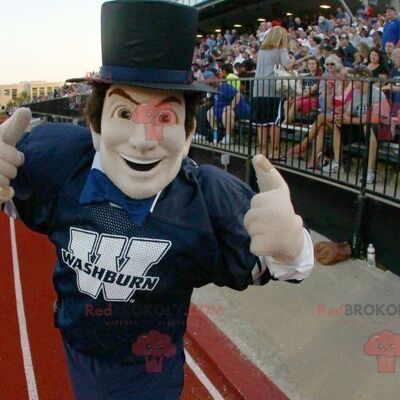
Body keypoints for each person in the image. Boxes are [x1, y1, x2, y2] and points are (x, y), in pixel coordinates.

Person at [0, 2, 314, 398]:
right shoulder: (59, 163)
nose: (142, 140)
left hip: (149, 369)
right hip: (78, 347)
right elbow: (13, 199)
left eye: (164, 118)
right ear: (95, 124)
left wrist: (294, 245)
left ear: (187, 131)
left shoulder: (207, 199)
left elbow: (294, 267)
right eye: (125, 114)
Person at [328, 66, 391, 183]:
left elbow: (375, 118)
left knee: (369, 126)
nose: (352, 81)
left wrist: (350, 120)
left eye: (355, 78)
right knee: (337, 123)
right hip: (362, 127)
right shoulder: (356, 93)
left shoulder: (377, 93)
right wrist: (342, 118)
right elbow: (348, 113)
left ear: (364, 79)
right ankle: (337, 164)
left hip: (381, 130)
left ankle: (370, 172)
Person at [252, 26, 291, 159]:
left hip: (258, 88)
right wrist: (295, 61)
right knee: (275, 122)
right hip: (273, 89)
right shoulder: (281, 48)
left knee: (261, 122)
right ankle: (274, 152)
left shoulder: (262, 49)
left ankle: (263, 151)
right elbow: (288, 64)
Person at [282, 57, 322, 126]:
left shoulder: (319, 77)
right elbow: (298, 88)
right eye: (309, 64)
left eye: (313, 64)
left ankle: (285, 124)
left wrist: (298, 97)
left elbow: (312, 91)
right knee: (286, 102)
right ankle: (289, 122)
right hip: (302, 97)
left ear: (317, 65)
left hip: (313, 99)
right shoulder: (305, 77)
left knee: (296, 103)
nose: (311, 65)